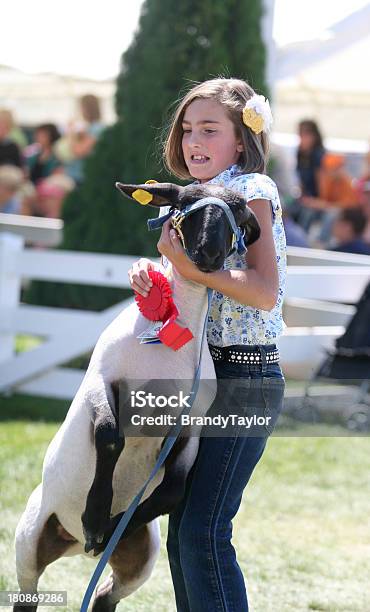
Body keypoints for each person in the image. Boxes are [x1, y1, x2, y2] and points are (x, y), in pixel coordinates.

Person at [128, 77, 286, 611]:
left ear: (241, 140)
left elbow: (263, 292)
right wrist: (161, 287)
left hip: (244, 377)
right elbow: (198, 294)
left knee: (204, 530)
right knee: (182, 533)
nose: (195, 140)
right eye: (188, 129)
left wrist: (186, 266)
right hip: (197, 374)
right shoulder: (194, 200)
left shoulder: (253, 191)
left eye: (210, 130)